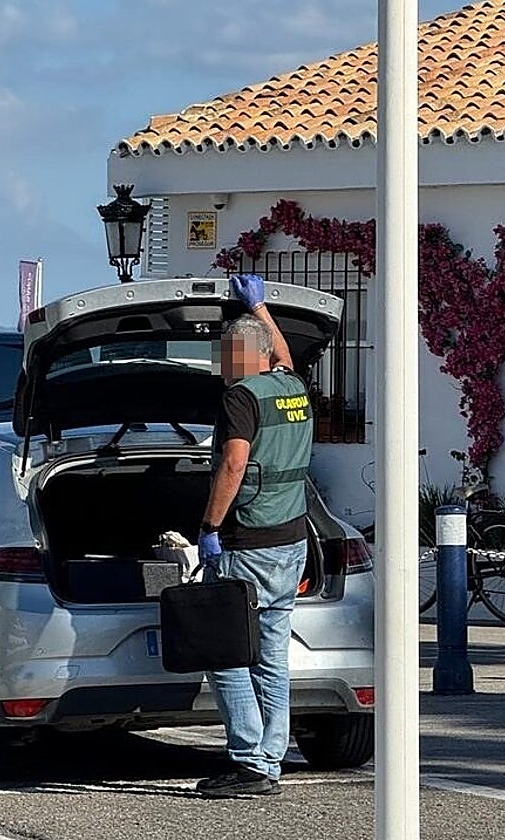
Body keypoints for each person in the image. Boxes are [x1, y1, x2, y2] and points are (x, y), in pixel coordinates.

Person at [196, 273, 314, 798]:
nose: (222, 362)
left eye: (227, 352)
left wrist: (208, 527)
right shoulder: (290, 386)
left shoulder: (240, 398)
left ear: (245, 355)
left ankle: (248, 760)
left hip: (248, 542)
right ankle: (269, 758)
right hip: (293, 541)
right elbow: (283, 354)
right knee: (271, 654)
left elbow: (233, 465)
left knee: (224, 654)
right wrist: (262, 309)